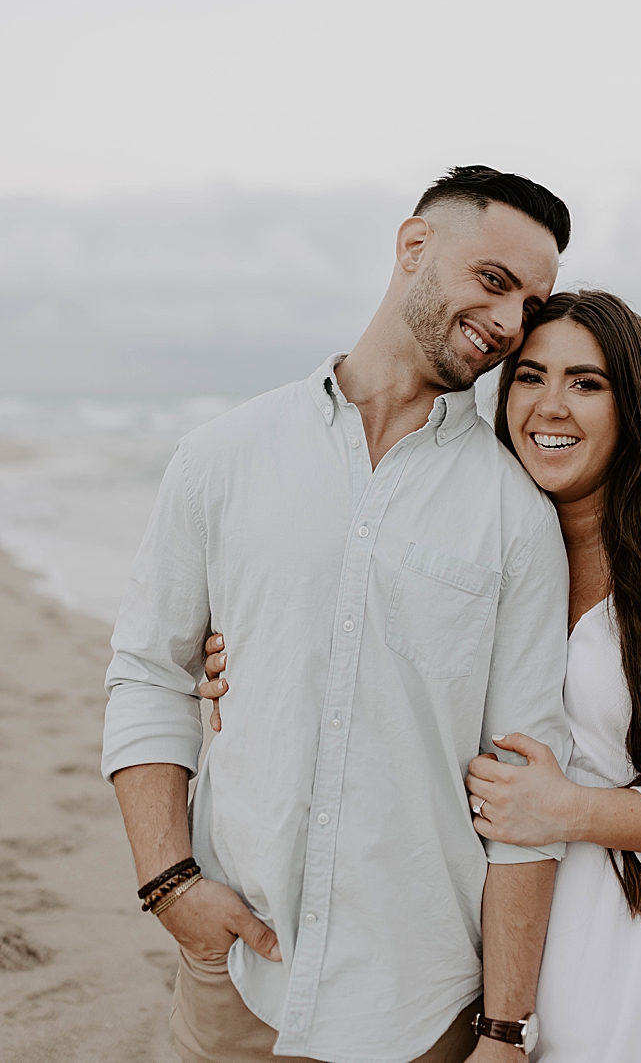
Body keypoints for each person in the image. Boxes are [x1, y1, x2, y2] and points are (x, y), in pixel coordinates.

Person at [205, 290, 641, 1062]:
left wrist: (570, 810)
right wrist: (237, 664)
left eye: (587, 383)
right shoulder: (480, 542)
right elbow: (369, 662)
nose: (551, 406)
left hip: (640, 946)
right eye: (530, 377)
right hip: (494, 945)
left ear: (637, 406)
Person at [102, 166, 576, 1063]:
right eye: (494, 281)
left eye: (531, 301)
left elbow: (524, 785)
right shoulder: (222, 456)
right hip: (239, 971)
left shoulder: (515, 512)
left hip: (422, 998)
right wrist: (170, 884)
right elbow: (149, 673)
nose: (512, 323)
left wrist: (506, 1028)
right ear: (413, 246)